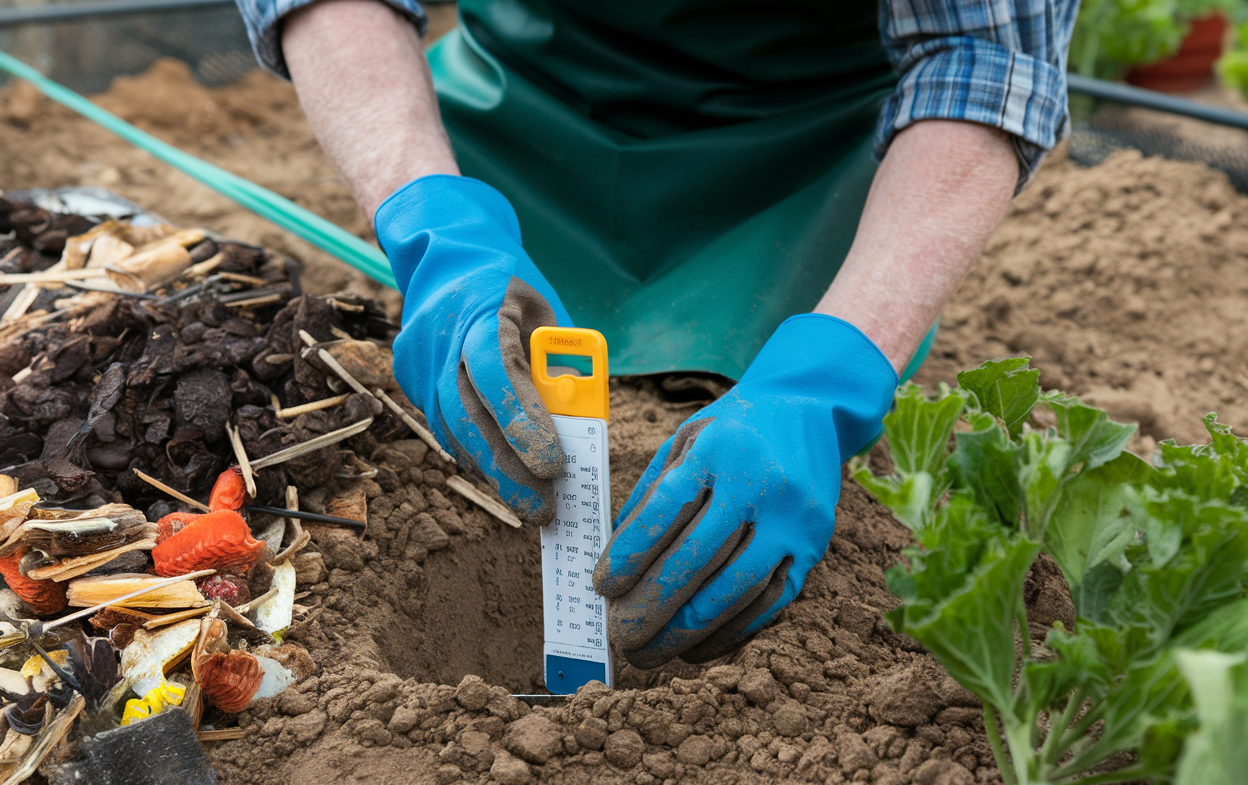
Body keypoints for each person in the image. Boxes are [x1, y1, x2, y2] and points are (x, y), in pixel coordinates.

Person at [236, 0, 1077, 669]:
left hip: (801, 165)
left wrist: (824, 380)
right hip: (518, 117)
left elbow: (984, 61)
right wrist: (434, 224)